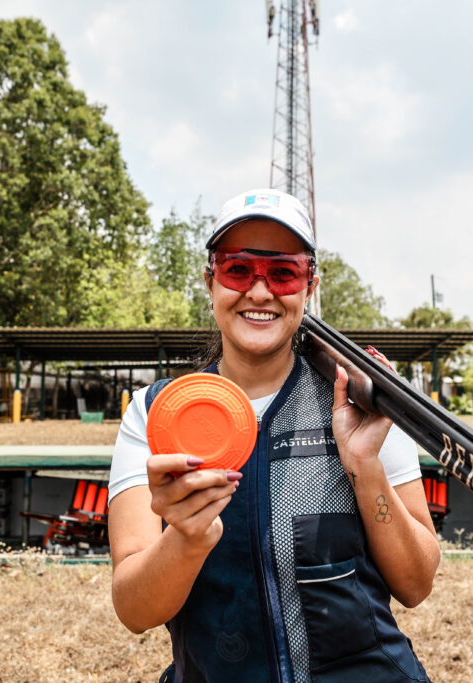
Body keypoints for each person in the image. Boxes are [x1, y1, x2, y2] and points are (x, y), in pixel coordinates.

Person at [108, 189, 440, 682]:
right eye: (237, 269)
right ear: (211, 282)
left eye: (282, 272)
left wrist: (365, 467)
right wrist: (188, 537)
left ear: (309, 286)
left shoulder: (360, 398)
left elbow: (416, 584)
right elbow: (134, 610)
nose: (260, 292)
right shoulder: (154, 414)